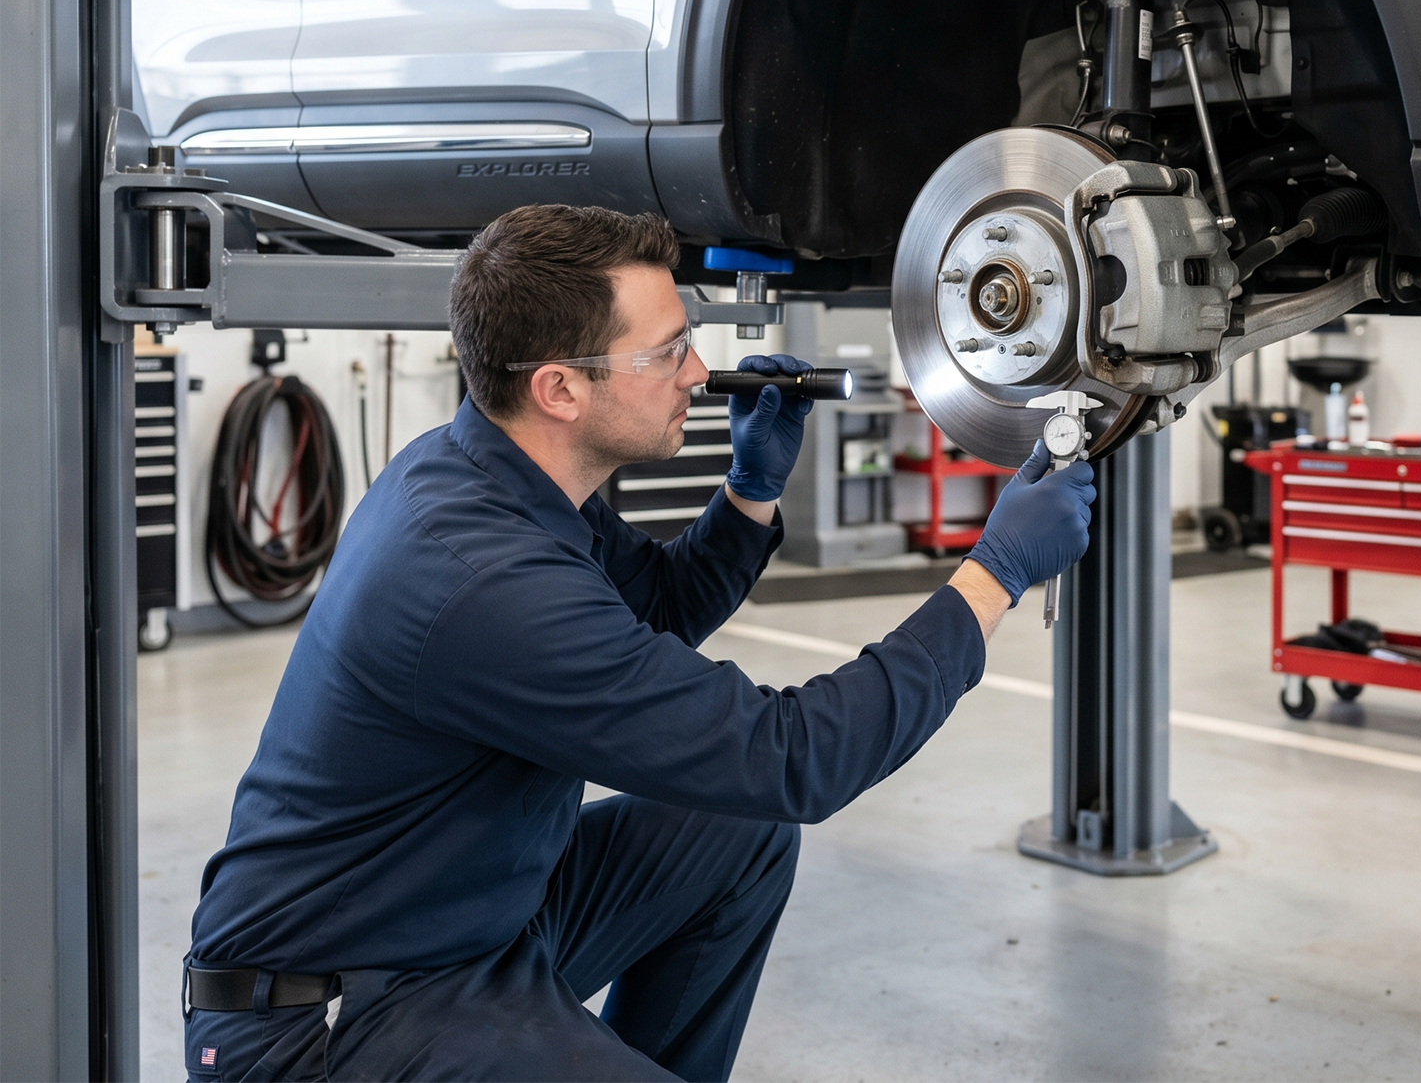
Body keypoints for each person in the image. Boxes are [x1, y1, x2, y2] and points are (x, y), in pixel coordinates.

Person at [182, 205, 1095, 1083]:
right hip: (334, 1013)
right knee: (764, 791)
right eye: (666, 352)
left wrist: (749, 491)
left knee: (737, 833)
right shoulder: (482, 579)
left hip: (470, 915)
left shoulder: (495, 471)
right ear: (561, 387)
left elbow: (658, 603)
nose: (699, 371)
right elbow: (790, 757)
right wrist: (994, 572)